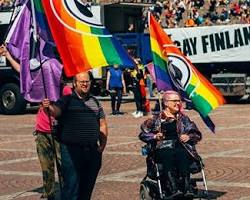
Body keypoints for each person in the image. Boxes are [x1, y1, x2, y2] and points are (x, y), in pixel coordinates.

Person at [42, 71, 108, 200]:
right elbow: (56, 112)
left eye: (87, 81)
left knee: (86, 190)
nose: (84, 84)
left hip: (92, 151)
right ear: (74, 83)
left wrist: (102, 145)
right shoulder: (66, 100)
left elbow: (102, 125)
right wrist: (48, 107)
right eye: (81, 82)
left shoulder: (95, 102)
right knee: (72, 189)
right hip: (72, 151)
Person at [139, 90, 202, 199]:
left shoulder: (183, 119)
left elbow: (196, 134)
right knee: (167, 155)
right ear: (166, 103)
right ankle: (174, 188)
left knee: (182, 154)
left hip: (180, 146)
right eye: (175, 101)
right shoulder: (156, 119)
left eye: (179, 101)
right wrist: (154, 137)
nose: (178, 103)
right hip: (162, 147)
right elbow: (143, 134)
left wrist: (189, 136)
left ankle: (187, 188)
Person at [35, 85, 72, 200]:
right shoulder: (42, 87)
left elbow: (68, 110)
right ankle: (49, 192)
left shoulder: (65, 89)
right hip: (41, 131)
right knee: (46, 166)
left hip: (57, 132)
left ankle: (66, 192)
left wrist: (51, 106)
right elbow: (23, 72)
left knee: (63, 165)